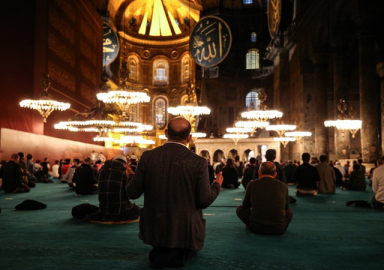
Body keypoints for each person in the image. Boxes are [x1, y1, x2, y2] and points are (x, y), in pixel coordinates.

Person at [127, 117, 223, 268]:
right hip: (185, 233)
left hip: (154, 230)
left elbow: (132, 193)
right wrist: (217, 185)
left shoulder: (147, 157)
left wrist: (131, 177)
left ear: (166, 133)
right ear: (189, 138)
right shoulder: (198, 162)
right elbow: (204, 200)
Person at [236, 161, 293, 235]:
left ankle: (253, 222)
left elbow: (245, 205)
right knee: (290, 211)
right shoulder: (283, 186)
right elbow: (286, 207)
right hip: (279, 228)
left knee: (240, 209)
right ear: (275, 174)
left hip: (256, 227)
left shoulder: (251, 184)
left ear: (259, 173)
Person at [84, 155, 141, 222]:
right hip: (120, 211)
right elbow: (130, 195)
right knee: (137, 209)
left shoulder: (101, 169)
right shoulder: (123, 171)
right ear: (125, 164)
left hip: (103, 210)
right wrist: (131, 176)